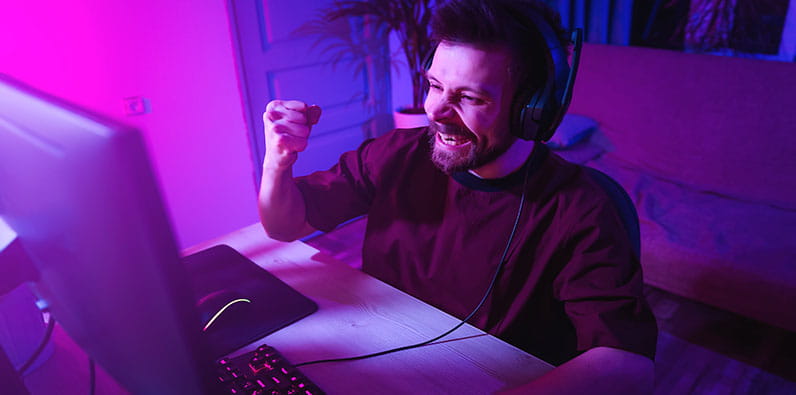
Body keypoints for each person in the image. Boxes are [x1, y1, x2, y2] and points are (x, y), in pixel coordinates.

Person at [258, 0, 657, 393]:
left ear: (531, 109)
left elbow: (627, 364)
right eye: (434, 86)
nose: (437, 111)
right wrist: (278, 161)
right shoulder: (397, 152)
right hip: (378, 360)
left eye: (470, 98)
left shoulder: (580, 208)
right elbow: (284, 224)